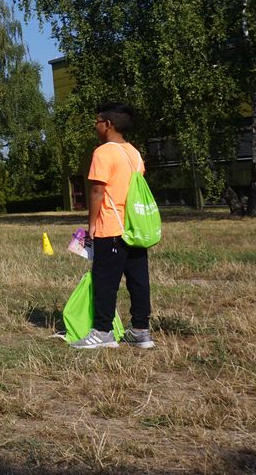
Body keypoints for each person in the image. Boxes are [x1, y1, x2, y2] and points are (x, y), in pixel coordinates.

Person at [71, 103, 155, 350]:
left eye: (96, 122)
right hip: (133, 227)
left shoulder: (103, 152)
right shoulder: (135, 153)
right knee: (138, 280)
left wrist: (92, 224)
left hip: (111, 226)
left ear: (108, 124)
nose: (95, 126)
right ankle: (141, 331)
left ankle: (103, 332)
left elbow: (97, 191)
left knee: (105, 281)